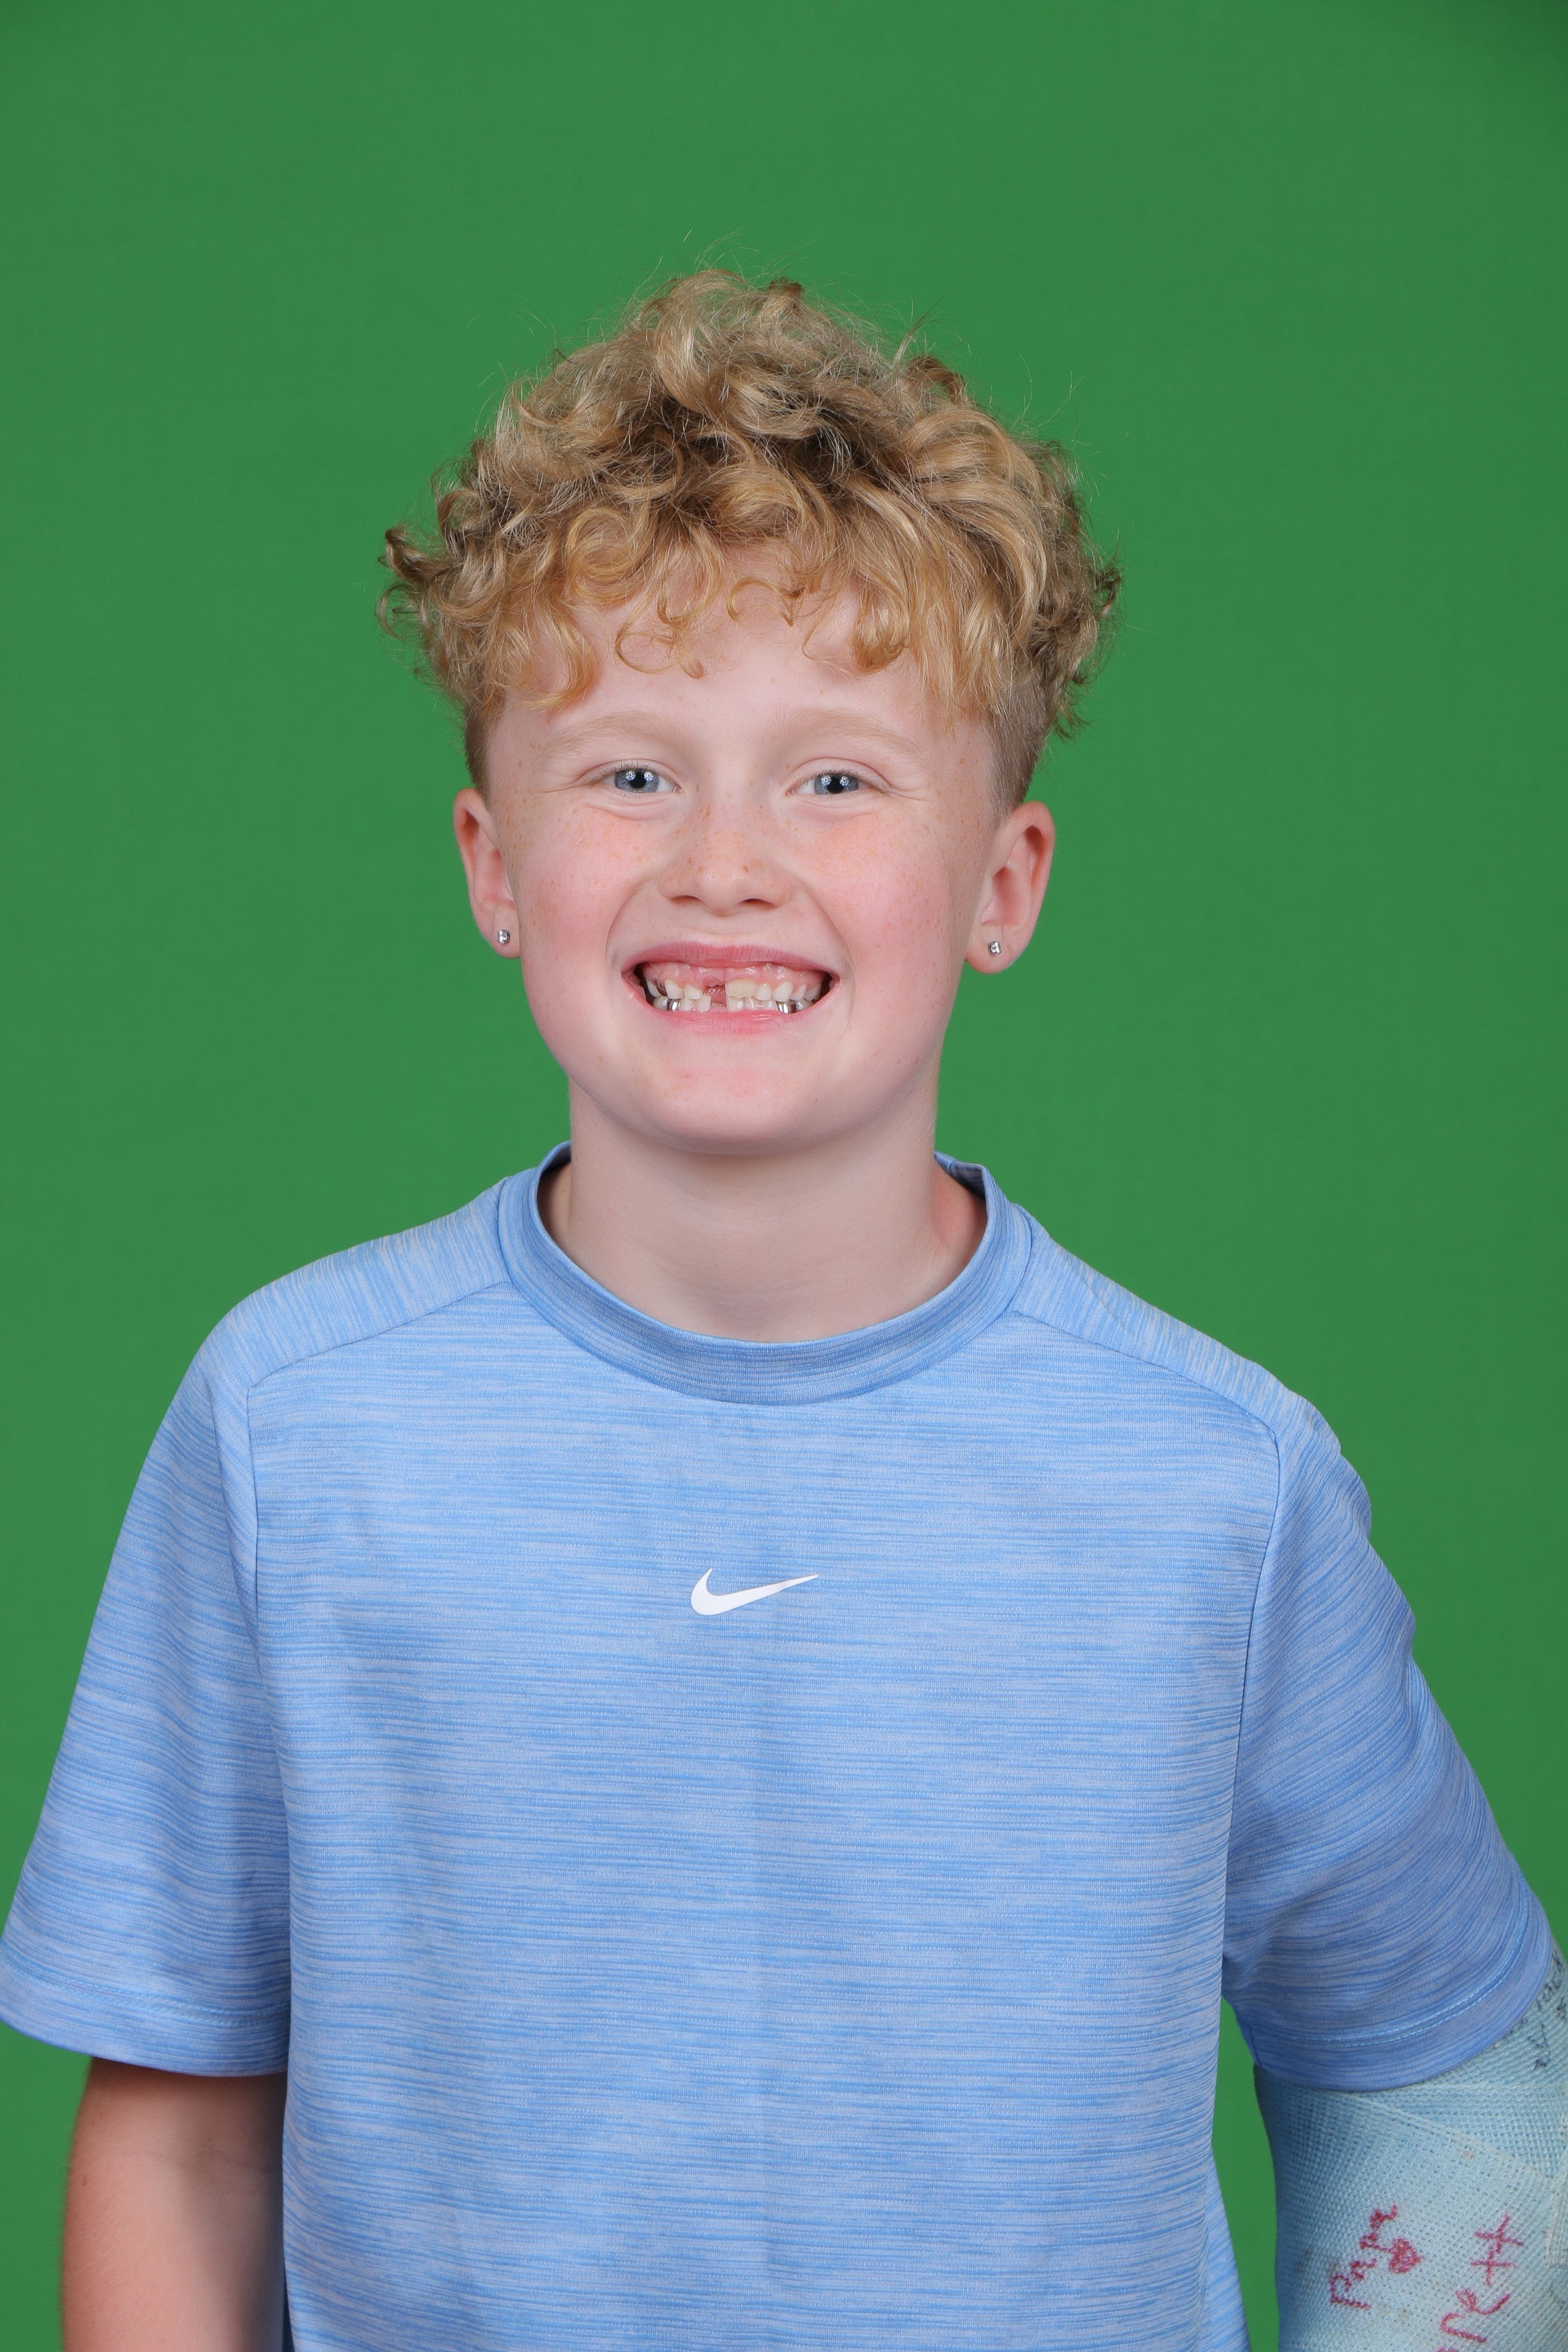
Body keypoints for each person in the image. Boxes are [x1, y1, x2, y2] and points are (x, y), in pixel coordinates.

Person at [1, 272, 1561, 2352]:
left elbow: (1444, 2065)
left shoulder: (1218, 1486)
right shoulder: (294, 1429)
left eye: (836, 781)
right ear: (490, 862)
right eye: (631, 774)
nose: (726, 863)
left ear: (1003, 882)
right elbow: (185, 2132)